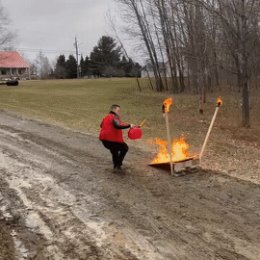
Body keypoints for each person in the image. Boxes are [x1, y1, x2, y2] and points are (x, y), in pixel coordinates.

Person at [99, 104, 134, 171]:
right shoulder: (114, 117)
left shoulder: (106, 117)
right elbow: (117, 126)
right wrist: (129, 125)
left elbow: (101, 125)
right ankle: (118, 164)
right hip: (111, 140)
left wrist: (129, 125)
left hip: (104, 140)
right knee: (125, 148)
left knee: (114, 151)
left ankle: (116, 166)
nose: (119, 112)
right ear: (114, 110)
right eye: (118, 110)